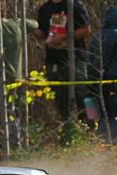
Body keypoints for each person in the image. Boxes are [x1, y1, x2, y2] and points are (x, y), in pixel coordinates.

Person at [0, 0, 38, 145]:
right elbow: (35, 25)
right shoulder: (16, 24)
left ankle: (12, 142)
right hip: (18, 75)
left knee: (6, 111)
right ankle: (23, 139)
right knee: (19, 109)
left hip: (1, 76)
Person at [32, 0, 92, 131]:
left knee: (84, 95)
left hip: (76, 59)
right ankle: (69, 130)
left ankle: (94, 127)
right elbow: (42, 32)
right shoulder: (45, 9)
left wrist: (64, 37)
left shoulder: (74, 5)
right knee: (60, 97)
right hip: (54, 60)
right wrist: (31, 29)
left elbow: (86, 30)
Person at [88, 6, 117, 144]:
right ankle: (108, 145)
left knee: (97, 115)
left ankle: (97, 142)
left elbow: (89, 61)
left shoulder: (95, 37)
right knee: (114, 116)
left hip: (96, 83)